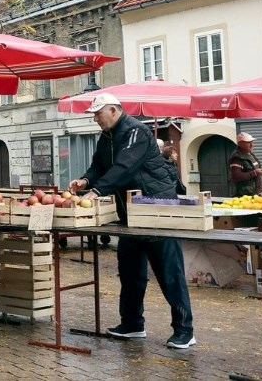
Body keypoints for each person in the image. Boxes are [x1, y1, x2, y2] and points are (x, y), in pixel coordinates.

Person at [68, 93, 194, 349]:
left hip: (156, 210)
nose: (95, 119)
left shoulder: (137, 132)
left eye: (98, 113)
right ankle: (132, 324)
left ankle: (185, 330)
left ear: (113, 111)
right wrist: (86, 181)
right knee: (130, 270)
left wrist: (98, 190)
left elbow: (125, 167)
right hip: (128, 214)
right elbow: (99, 167)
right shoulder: (106, 137)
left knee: (169, 272)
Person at [228, 132, 262, 196]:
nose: (251, 145)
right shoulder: (236, 158)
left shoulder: (250, 154)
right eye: (248, 142)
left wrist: (260, 170)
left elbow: (255, 169)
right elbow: (236, 176)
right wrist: (255, 173)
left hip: (257, 193)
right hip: (246, 195)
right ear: (240, 144)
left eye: (252, 142)